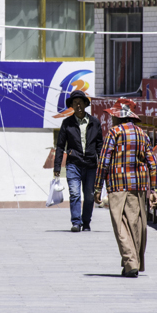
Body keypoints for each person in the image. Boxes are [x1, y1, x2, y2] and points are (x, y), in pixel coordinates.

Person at [93, 98, 157, 278]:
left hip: (117, 184)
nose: (111, 119)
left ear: (117, 117)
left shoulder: (113, 133)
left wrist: (98, 187)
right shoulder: (142, 134)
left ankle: (130, 263)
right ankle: (133, 261)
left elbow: (104, 162)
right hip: (138, 185)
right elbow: (152, 163)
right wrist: (154, 189)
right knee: (135, 224)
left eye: (113, 116)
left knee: (121, 226)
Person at [53, 89, 103, 232]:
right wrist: (57, 166)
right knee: (75, 193)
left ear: (85, 104)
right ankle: (76, 222)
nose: (78, 105)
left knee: (89, 196)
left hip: (91, 165)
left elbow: (100, 144)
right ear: (72, 106)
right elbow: (60, 146)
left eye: (80, 102)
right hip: (73, 164)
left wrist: (102, 165)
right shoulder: (67, 123)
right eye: (75, 103)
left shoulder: (95, 122)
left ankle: (86, 222)